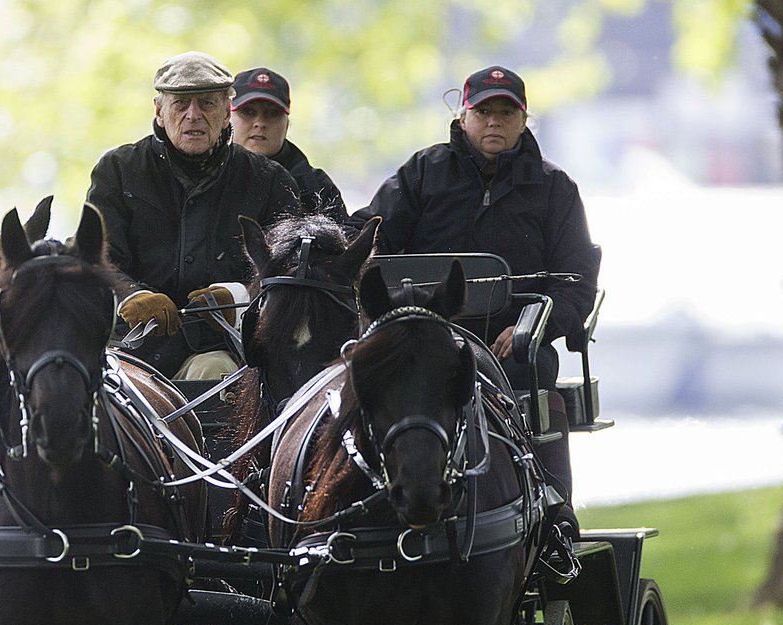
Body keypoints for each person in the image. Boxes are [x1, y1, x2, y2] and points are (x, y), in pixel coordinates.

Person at [349, 65, 599, 540]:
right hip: (425, 332)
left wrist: (531, 326)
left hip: (513, 340)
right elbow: (370, 232)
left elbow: (577, 281)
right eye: (484, 111)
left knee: (534, 370)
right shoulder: (422, 173)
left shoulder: (555, 189)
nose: (494, 122)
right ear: (463, 115)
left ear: (524, 121)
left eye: (506, 112)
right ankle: (361, 488)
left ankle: (550, 499)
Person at [86, 51, 301, 380]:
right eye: (181, 104)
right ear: (159, 112)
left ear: (227, 112)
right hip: (131, 350)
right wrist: (132, 295)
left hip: (225, 351)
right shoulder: (118, 170)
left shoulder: (270, 180)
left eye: (207, 104)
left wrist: (240, 297)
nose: (193, 115)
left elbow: (291, 272)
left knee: (213, 371)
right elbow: (94, 259)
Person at [230, 67, 349, 225]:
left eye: (272, 114)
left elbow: (344, 243)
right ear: (227, 117)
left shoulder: (316, 188)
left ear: (287, 124)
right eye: (248, 112)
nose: (260, 123)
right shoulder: (209, 178)